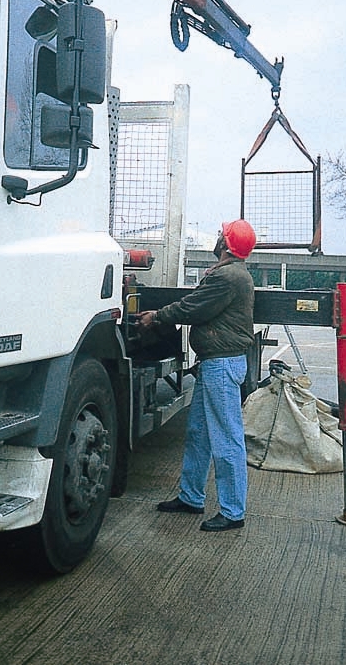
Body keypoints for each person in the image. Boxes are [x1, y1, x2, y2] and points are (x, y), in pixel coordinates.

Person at [138, 219, 256, 532]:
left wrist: (157, 316)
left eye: (222, 235)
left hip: (222, 364)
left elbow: (194, 308)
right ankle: (191, 497)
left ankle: (233, 511)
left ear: (227, 246)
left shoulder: (228, 277)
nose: (217, 238)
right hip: (215, 363)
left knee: (227, 439)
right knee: (199, 433)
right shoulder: (229, 274)